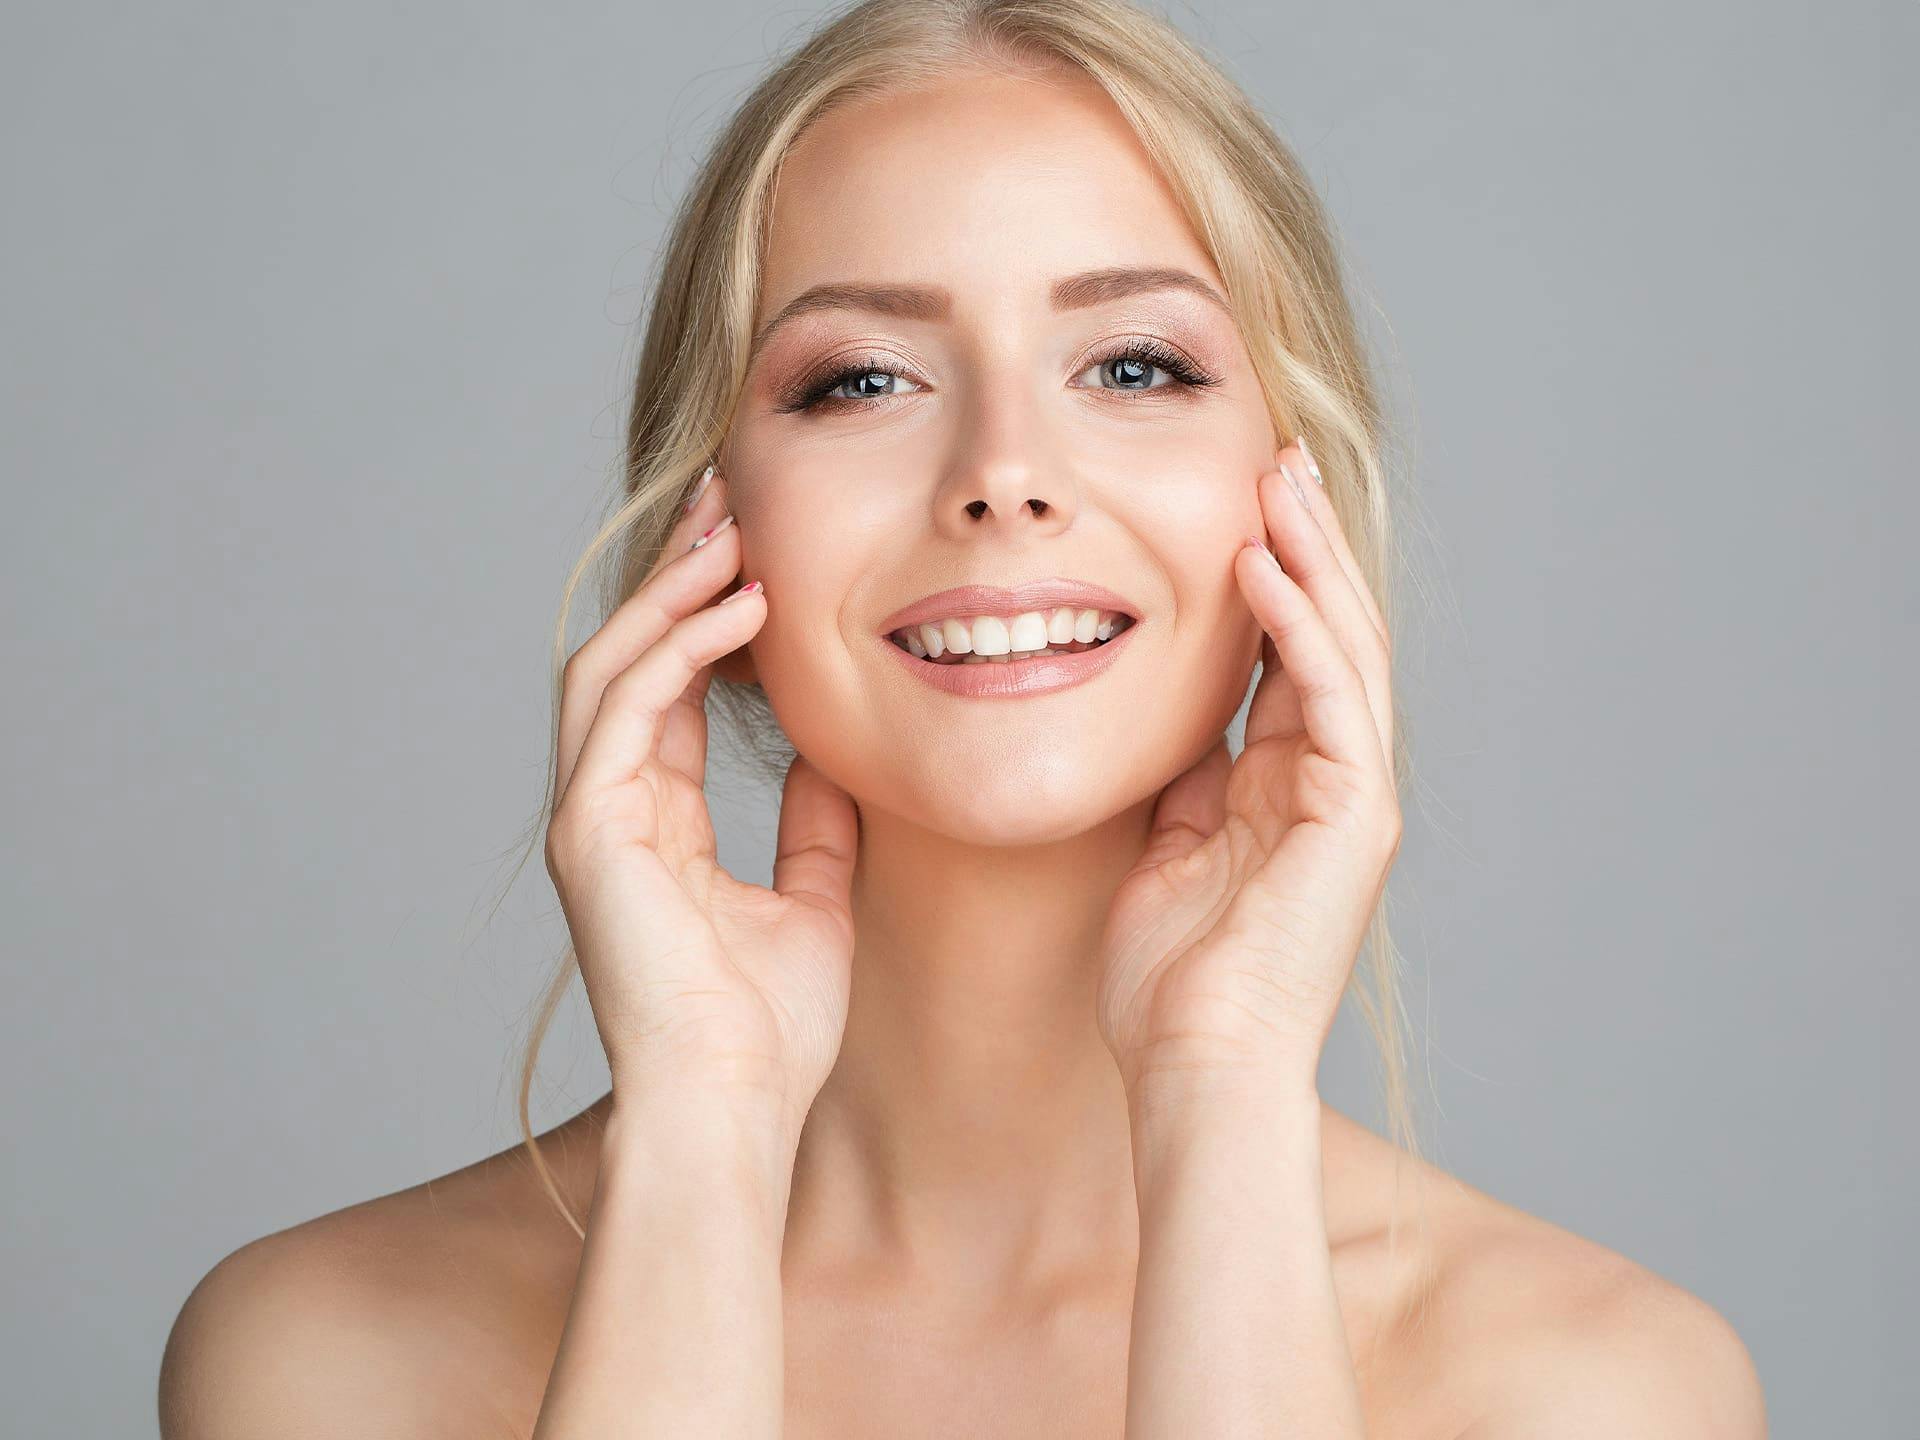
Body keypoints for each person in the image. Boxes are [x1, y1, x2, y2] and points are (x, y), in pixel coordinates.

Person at [158, 2, 1767, 1435]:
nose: (1004, 469)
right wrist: (704, 1132)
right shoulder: (328, 1356)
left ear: (1299, 507)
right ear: (707, 529)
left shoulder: (1596, 1388)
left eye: (1134, 365)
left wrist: (1222, 1090)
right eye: (860, 381)